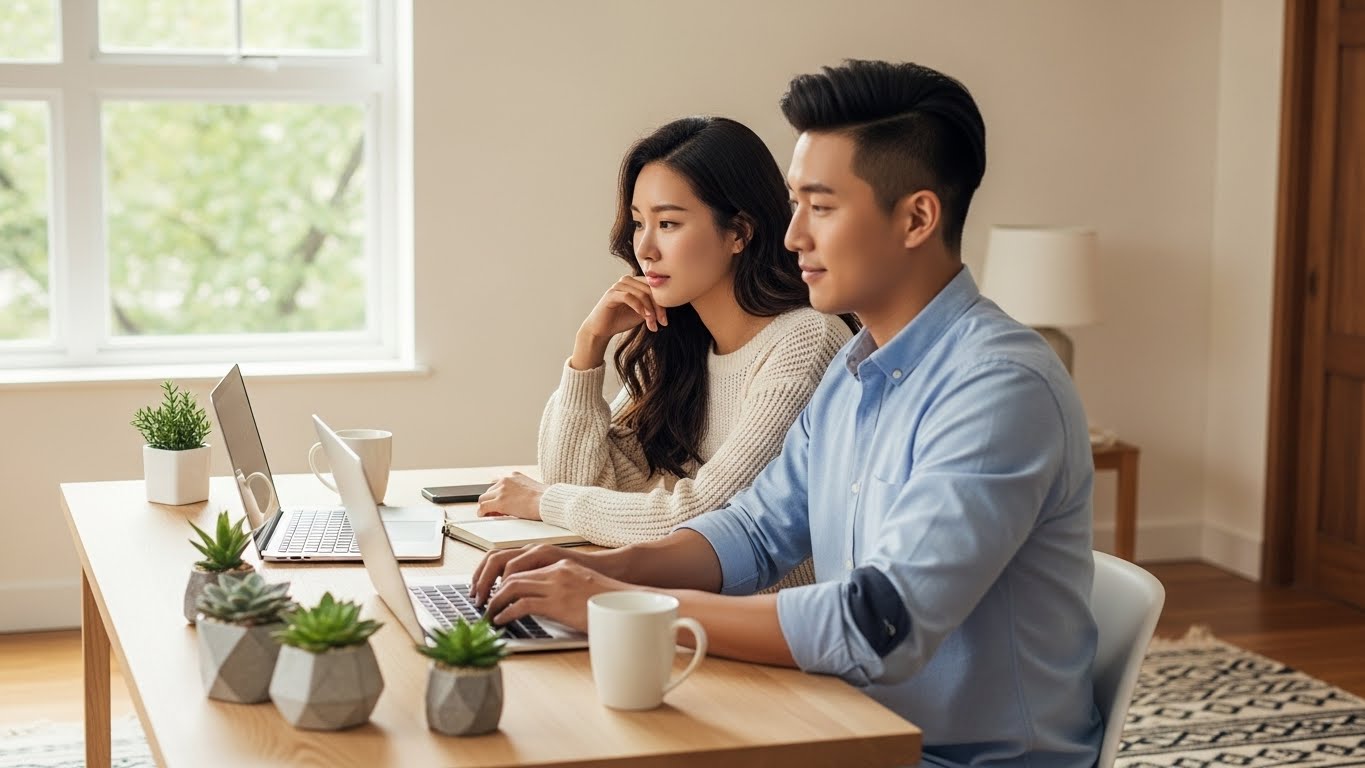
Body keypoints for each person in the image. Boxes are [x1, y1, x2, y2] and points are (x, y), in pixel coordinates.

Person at [472, 60, 1102, 767]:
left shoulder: (997, 389)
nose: (794, 235)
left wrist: (611, 599)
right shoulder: (854, 370)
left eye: (821, 207)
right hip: (840, 720)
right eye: (795, 203)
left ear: (916, 217)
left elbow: (871, 626)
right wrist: (605, 566)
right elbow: (751, 530)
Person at [474, 117, 854, 580]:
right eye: (638, 223)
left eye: (668, 222)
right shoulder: (678, 339)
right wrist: (588, 347)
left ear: (739, 232)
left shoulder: (804, 342)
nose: (645, 249)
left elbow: (701, 524)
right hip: (675, 605)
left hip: (763, 630)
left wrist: (543, 501)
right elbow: (575, 480)